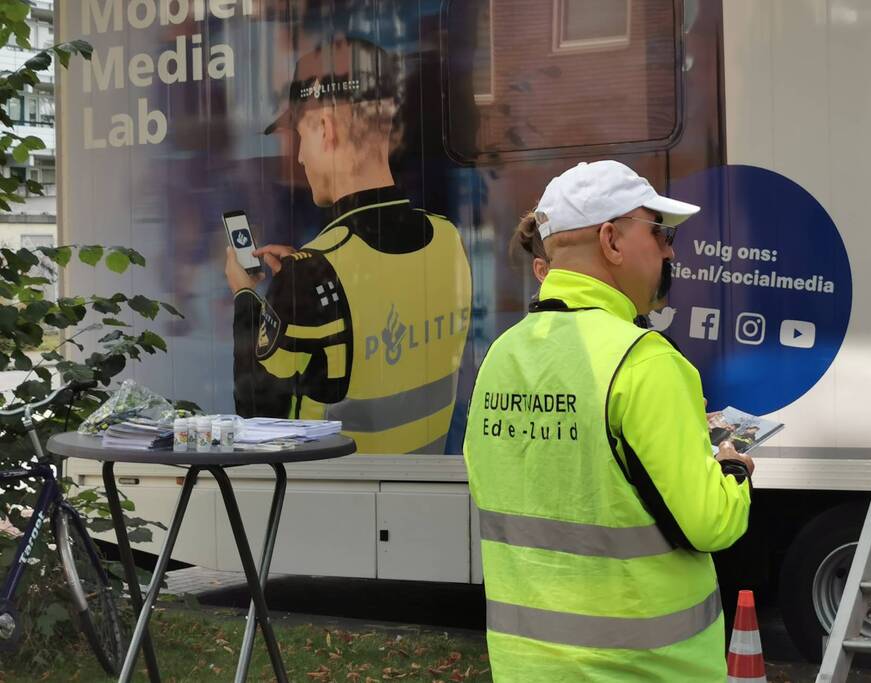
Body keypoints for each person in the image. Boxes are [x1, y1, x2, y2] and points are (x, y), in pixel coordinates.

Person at [464, 160, 753, 681]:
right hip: (648, 669)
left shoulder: (499, 358)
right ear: (612, 241)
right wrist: (731, 470)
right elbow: (711, 522)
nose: (669, 249)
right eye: (660, 233)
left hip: (526, 667)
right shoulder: (646, 361)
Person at [225, 32, 471, 454]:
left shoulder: (314, 274)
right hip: (429, 494)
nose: (299, 157)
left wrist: (248, 297)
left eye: (300, 134)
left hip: (336, 505)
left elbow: (258, 422)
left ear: (325, 128)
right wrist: (302, 279)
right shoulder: (448, 238)